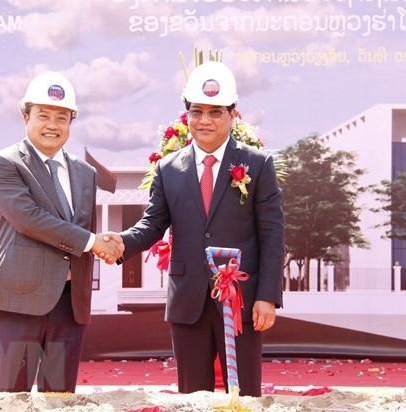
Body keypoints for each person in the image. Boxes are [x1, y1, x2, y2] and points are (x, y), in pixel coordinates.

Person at [112, 61, 284, 396]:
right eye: (197, 111)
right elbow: (153, 224)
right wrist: (121, 243)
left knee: (245, 396)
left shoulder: (258, 165)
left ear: (233, 115)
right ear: (186, 114)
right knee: (192, 398)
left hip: (241, 303)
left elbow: (272, 235)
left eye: (215, 112)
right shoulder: (167, 169)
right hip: (188, 301)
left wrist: (267, 297)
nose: (204, 120)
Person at [0, 71, 123, 393]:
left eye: (62, 117)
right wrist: (94, 243)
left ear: (71, 122)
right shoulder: (4, 164)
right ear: (25, 116)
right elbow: (28, 219)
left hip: (69, 307)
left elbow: (83, 228)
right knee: (12, 400)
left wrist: (108, 244)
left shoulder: (85, 172)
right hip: (18, 304)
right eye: (43, 115)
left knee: (59, 399)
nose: (52, 125)